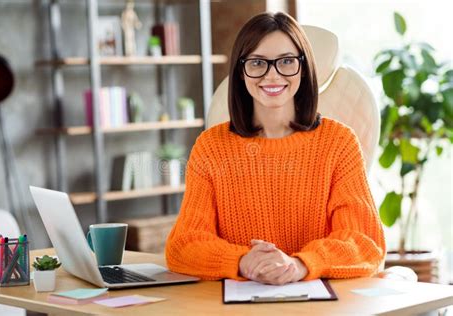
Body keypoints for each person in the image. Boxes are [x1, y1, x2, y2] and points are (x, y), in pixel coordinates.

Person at [165, 12, 385, 285]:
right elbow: (184, 245)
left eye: (286, 61)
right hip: (235, 304)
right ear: (241, 71)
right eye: (257, 63)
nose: (272, 75)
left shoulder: (339, 143)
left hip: (321, 303)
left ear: (303, 68)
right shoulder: (211, 147)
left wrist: (299, 265)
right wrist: (243, 261)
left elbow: (364, 241)